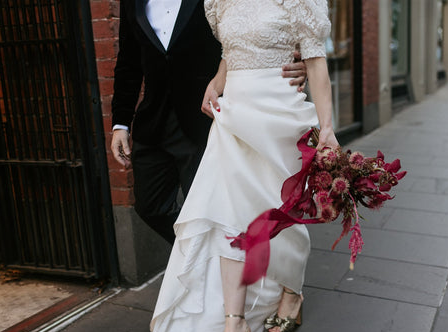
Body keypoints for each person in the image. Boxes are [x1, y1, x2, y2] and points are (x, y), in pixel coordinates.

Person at [149, 0, 339, 332]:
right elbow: (228, 53)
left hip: (279, 116)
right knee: (229, 216)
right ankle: (233, 323)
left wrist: (327, 127)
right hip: (232, 115)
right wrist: (218, 81)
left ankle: (291, 292)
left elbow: (317, 65)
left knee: (279, 215)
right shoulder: (221, 1)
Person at [110, 0, 308, 245]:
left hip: (205, 119)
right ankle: (198, 257)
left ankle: (216, 268)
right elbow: (129, 60)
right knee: (150, 207)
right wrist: (120, 123)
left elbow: (248, 33)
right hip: (154, 121)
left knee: (210, 210)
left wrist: (294, 61)